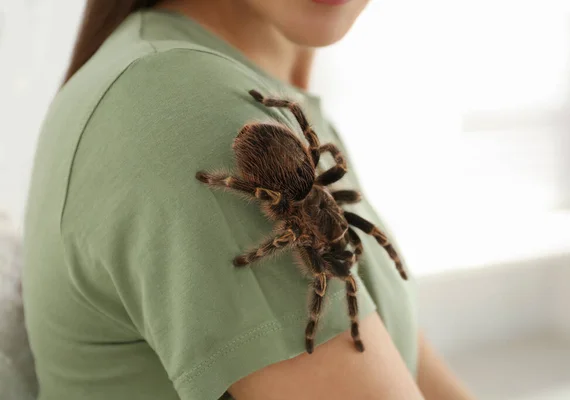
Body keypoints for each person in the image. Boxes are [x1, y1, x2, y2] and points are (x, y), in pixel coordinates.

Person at [23, 0, 475, 399]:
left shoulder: (273, 97)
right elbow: (286, 253)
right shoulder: (187, 103)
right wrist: (302, 305)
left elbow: (403, 353)